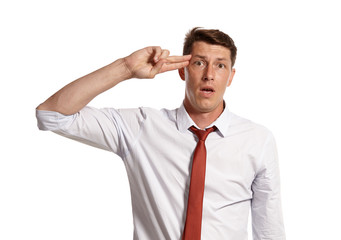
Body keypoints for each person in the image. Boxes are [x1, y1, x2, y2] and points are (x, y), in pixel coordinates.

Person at [36, 27, 286, 240]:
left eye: (220, 65)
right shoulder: (142, 127)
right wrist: (125, 68)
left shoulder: (257, 140)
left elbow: (269, 231)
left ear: (230, 77)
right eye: (199, 62)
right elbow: (52, 115)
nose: (209, 74)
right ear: (182, 71)